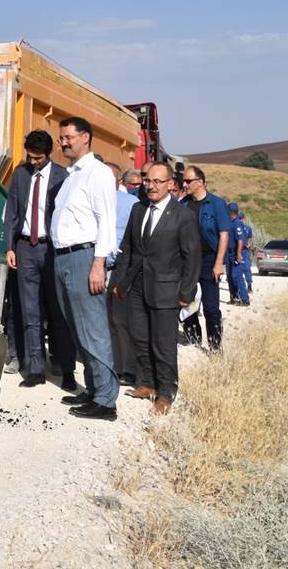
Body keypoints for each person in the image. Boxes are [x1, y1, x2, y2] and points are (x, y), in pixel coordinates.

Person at [111, 162, 202, 416]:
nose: (151, 186)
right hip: (137, 287)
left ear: (171, 184)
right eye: (147, 180)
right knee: (140, 338)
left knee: (163, 344)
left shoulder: (183, 216)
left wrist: (186, 293)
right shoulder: (138, 210)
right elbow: (128, 248)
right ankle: (147, 383)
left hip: (166, 290)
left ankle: (166, 392)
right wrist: (121, 282)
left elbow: (191, 257)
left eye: (157, 182)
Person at [50, 117, 118, 420]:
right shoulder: (71, 176)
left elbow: (106, 221)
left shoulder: (98, 173)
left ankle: (106, 401)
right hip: (63, 258)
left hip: (84, 258)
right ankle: (93, 389)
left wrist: (98, 264)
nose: (63, 143)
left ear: (86, 138)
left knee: (93, 329)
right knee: (78, 329)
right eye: (61, 138)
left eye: (69, 137)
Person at [1, 130, 72, 388]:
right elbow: (11, 214)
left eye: (38, 158)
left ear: (48, 154)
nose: (33, 162)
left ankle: (65, 367)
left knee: (57, 310)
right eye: (30, 157)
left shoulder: (62, 177)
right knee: (29, 310)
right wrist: (9, 247)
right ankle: (35, 369)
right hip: (24, 249)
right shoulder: (20, 175)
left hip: (52, 249)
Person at [179, 166, 231, 350]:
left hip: (209, 260)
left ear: (200, 182)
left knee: (210, 307)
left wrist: (219, 263)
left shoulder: (216, 204)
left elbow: (224, 234)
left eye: (188, 181)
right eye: (183, 180)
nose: (184, 184)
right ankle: (193, 339)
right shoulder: (182, 204)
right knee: (187, 302)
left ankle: (215, 346)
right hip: (187, 261)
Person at [107, 164, 140, 387]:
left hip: (119, 270)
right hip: (96, 269)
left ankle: (128, 369)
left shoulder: (131, 204)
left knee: (121, 321)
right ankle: (113, 367)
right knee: (106, 321)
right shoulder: (91, 201)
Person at [226, 203, 251, 306]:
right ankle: (234, 297)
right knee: (230, 277)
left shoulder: (237, 223)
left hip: (235, 253)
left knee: (237, 276)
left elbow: (240, 240)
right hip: (229, 254)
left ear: (231, 212)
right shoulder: (231, 222)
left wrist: (238, 254)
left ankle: (245, 300)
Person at [240, 211, 254, 293]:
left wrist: (249, 244)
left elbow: (250, 237)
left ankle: (249, 286)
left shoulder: (248, 228)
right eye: (239, 219)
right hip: (236, 250)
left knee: (247, 268)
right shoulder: (234, 227)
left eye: (241, 219)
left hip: (245, 251)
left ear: (244, 219)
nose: (240, 220)